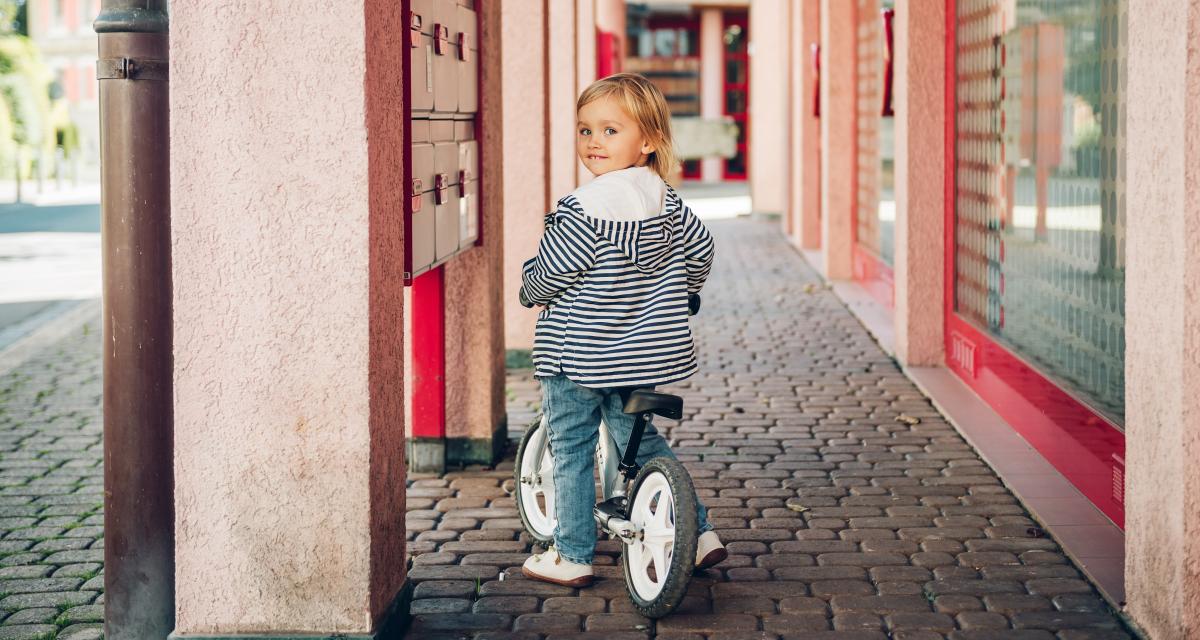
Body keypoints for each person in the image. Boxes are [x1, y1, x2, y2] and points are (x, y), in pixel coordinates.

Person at [518, 73, 724, 587]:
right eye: (586, 130)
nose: (593, 142)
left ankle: (571, 553)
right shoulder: (669, 204)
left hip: (578, 358)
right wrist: (686, 288)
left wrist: (529, 288)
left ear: (648, 140)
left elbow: (552, 274)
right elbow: (701, 253)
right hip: (641, 358)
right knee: (642, 439)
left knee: (570, 448)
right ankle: (698, 534)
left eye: (610, 131)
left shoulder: (582, 210)